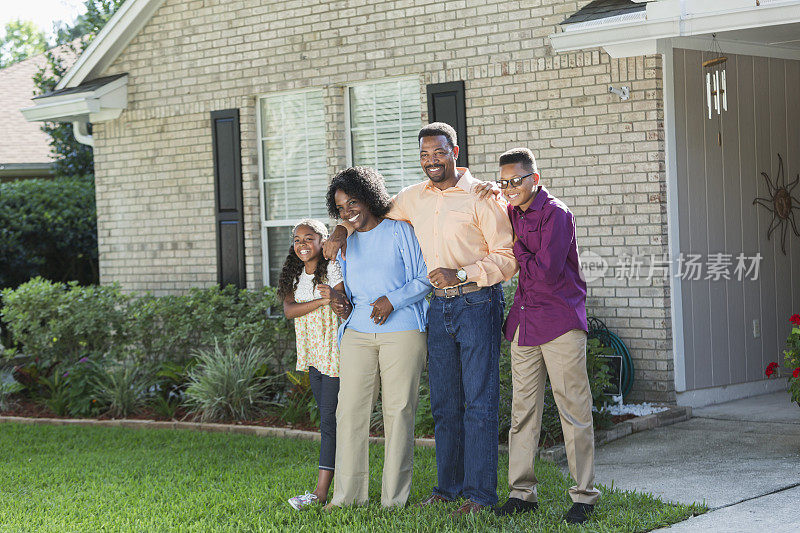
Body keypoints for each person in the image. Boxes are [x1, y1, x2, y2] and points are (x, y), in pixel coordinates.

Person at [323, 123, 517, 517]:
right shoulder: (412, 198)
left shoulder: (481, 197)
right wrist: (341, 229)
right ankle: (448, 489)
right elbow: (367, 208)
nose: (432, 161)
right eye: (425, 154)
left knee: (478, 403)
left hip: (477, 301)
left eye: (439, 153)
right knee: (445, 405)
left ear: (455, 151)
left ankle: (479, 496)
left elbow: (507, 257)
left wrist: (461, 274)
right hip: (439, 309)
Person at [490, 147, 600, 524]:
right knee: (522, 413)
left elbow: (547, 272)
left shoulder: (557, 214)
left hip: (559, 323)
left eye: (515, 181)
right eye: (503, 182)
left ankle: (584, 497)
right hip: (524, 322)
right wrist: (491, 193)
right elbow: (525, 266)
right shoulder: (511, 209)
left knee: (573, 410)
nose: (509, 189)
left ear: (534, 179)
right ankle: (522, 493)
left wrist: (516, 247)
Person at [325, 166, 431, 508]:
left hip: (402, 331)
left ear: (369, 198)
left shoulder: (400, 231)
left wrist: (392, 300)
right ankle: (347, 497)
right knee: (349, 412)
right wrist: (341, 302)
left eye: (353, 202)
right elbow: (341, 279)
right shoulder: (345, 240)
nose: (348, 212)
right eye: (341, 208)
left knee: (398, 412)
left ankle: (393, 500)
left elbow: (425, 278)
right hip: (357, 331)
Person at [279, 219, 344, 510]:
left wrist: (333, 298)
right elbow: (290, 311)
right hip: (314, 357)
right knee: (328, 422)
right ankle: (335, 486)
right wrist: (321, 301)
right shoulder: (294, 275)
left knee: (330, 423)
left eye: (309, 238)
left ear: (322, 240)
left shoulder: (332, 268)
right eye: (297, 240)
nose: (302, 245)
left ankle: (320, 494)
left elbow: (342, 302)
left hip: (334, 353)